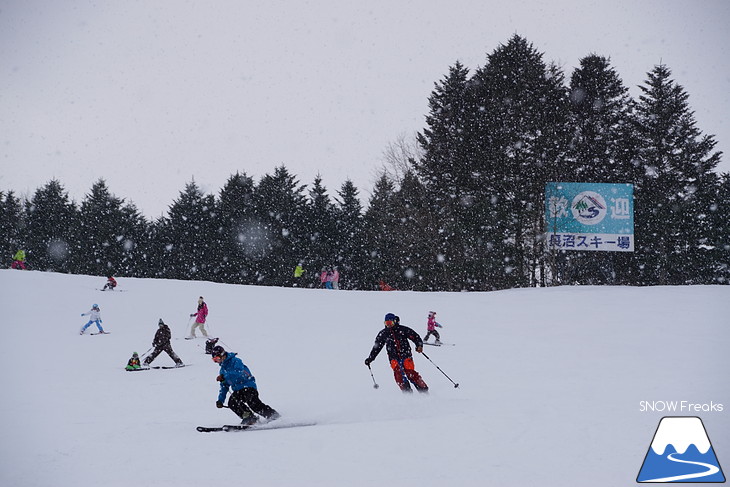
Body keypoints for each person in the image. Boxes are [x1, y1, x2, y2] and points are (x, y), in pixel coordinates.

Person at [211, 345, 280, 425]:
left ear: (222, 355)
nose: (217, 362)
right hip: (237, 390)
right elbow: (224, 387)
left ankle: (273, 415)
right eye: (214, 360)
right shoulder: (222, 371)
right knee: (232, 402)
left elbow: (239, 372)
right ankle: (249, 417)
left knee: (252, 403)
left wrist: (225, 376)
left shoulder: (235, 361)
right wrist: (220, 400)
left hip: (248, 386)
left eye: (217, 359)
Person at [365, 313, 428, 393]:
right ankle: (407, 393)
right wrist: (371, 358)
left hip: (406, 356)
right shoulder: (384, 333)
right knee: (399, 375)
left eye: (390, 323)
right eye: (386, 323)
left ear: (394, 321)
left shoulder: (403, 329)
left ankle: (423, 391)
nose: (388, 325)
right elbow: (377, 347)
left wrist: (419, 345)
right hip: (393, 358)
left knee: (410, 373)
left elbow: (415, 337)